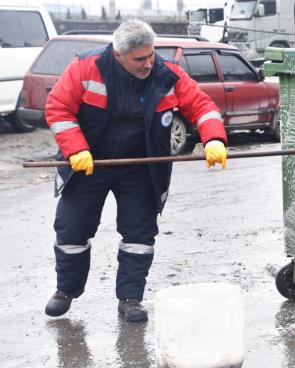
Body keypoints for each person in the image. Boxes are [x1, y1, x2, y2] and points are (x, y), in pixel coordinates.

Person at [44, 19, 228, 322]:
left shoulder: (166, 74)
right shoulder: (86, 68)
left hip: (142, 167)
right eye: (140, 59)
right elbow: (58, 108)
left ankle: (130, 298)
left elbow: (203, 106)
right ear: (119, 55)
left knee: (139, 235)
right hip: (89, 163)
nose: (148, 63)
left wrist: (214, 139)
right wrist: (75, 148)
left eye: (151, 54)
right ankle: (66, 290)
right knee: (71, 229)